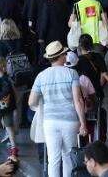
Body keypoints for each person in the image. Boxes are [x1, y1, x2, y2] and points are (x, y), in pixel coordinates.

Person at [28, 41, 88, 177]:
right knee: (68, 158)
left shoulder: (41, 76)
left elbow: (31, 101)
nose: (66, 55)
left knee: (53, 160)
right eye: (65, 53)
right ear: (61, 56)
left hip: (50, 122)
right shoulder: (72, 73)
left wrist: (44, 104)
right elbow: (78, 100)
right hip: (70, 121)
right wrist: (83, 123)